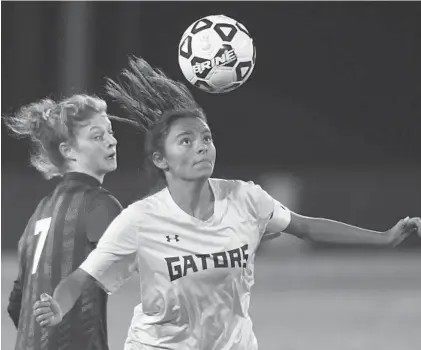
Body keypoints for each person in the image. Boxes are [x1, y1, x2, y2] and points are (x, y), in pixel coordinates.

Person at [33, 57, 421, 350]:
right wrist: (57, 307)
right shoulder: (140, 220)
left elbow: (305, 226)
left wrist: (383, 238)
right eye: (186, 141)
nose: (202, 146)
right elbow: (83, 278)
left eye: (206, 138)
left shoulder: (245, 198)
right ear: (160, 160)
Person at [5, 94, 123, 350]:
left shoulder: (39, 212)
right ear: (67, 151)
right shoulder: (99, 204)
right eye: (97, 136)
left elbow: (16, 305)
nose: (111, 141)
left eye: (110, 132)